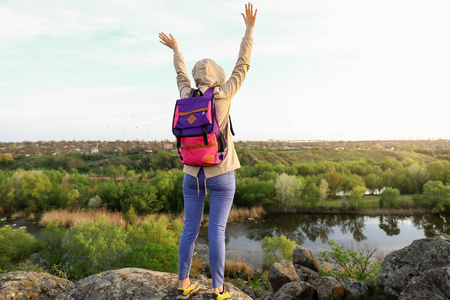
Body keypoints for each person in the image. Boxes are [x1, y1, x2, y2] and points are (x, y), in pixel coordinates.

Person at [159, 3, 257, 299]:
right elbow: (243, 64)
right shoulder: (223, 93)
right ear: (217, 75)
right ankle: (218, 288)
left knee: (189, 229)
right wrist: (249, 30)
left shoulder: (187, 95)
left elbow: (180, 75)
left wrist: (176, 50)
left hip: (191, 174)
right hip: (221, 172)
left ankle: (183, 282)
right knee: (216, 230)